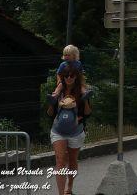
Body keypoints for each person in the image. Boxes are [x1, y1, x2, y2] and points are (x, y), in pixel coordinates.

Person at [47, 63, 91, 195]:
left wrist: (86, 102)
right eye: (66, 75)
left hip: (76, 132)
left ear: (76, 77)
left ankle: (69, 187)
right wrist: (51, 104)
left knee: (72, 161)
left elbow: (88, 113)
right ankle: (61, 193)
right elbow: (49, 114)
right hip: (58, 131)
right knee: (60, 160)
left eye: (72, 75)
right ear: (63, 77)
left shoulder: (81, 91)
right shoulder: (58, 91)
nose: (69, 78)